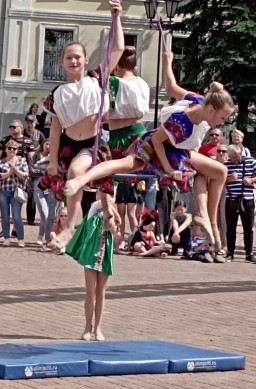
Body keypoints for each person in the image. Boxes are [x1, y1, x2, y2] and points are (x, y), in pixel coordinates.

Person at [65, 51, 235, 261]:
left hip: (181, 152)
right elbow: (157, 142)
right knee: (126, 164)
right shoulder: (182, 121)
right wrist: (170, 169)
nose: (223, 122)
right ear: (210, 110)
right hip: (157, 147)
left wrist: (168, 61)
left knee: (220, 171)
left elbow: (171, 86)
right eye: (223, 117)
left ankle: (208, 220)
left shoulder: (199, 99)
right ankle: (82, 179)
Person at [44, 0, 125, 250]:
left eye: (77, 57)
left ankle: (72, 227)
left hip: (93, 143)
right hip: (69, 145)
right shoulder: (57, 93)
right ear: (62, 62)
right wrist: (52, 160)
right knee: (77, 177)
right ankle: (76, 225)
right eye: (69, 58)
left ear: (86, 60)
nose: (73, 61)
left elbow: (117, 49)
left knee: (80, 175)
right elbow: (56, 130)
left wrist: (116, 17)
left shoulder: (96, 80)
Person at [107, 45, 151, 246]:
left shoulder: (113, 82)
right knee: (137, 183)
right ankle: (136, 235)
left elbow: (107, 109)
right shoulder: (143, 83)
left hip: (118, 134)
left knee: (112, 180)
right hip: (138, 133)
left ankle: (116, 231)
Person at [65, 198, 116, 341]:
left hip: (105, 254)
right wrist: (108, 207)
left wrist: (112, 215)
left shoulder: (113, 211)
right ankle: (87, 327)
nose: (110, 198)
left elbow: (114, 230)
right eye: (108, 194)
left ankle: (98, 328)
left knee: (101, 292)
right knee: (90, 291)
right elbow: (100, 204)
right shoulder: (95, 207)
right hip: (91, 256)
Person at [224, 144, 256, 263]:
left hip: (247, 199)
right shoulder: (226, 164)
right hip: (231, 199)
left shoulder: (250, 161)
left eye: (235, 157)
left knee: (248, 228)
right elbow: (220, 181)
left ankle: (249, 254)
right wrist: (229, 179)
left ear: (240, 153)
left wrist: (251, 180)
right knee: (230, 228)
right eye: (231, 157)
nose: (234, 160)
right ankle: (230, 253)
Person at [0, 139, 29, 246]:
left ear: (17, 150)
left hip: (16, 192)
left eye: (14, 148)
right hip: (3, 191)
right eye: (9, 148)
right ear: (6, 149)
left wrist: (16, 171)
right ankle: (6, 238)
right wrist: (10, 172)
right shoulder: (1, 162)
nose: (11, 150)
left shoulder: (22, 161)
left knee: (16, 216)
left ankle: (20, 238)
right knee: (5, 216)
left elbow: (25, 175)